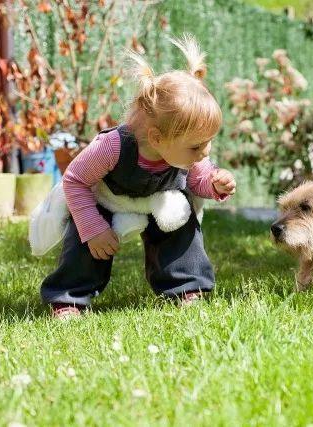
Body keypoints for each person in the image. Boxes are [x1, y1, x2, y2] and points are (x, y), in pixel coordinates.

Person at [40, 35, 236, 318]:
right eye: (196, 146)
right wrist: (93, 228)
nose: (205, 152)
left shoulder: (188, 154)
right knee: (86, 242)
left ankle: (185, 288)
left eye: (208, 142)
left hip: (158, 201)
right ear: (157, 138)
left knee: (180, 220)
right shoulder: (111, 148)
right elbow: (75, 180)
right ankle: (69, 298)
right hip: (110, 201)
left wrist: (215, 184)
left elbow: (196, 181)